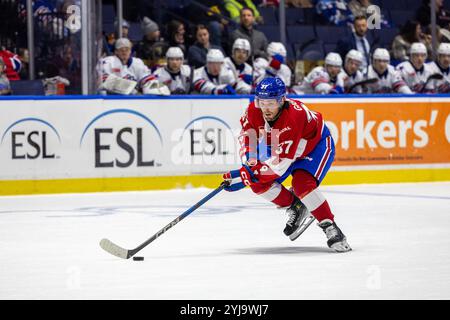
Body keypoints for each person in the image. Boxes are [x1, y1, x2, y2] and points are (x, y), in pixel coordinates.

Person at [223, 77, 351, 252]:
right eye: (262, 102)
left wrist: (245, 176)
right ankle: (296, 206)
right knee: (258, 184)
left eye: (271, 103)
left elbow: (278, 167)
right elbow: (247, 137)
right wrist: (249, 164)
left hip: (315, 145)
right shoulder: (254, 109)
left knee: (302, 184)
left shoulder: (293, 118)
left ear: (282, 100)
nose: (265, 108)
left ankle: (330, 227)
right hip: (281, 147)